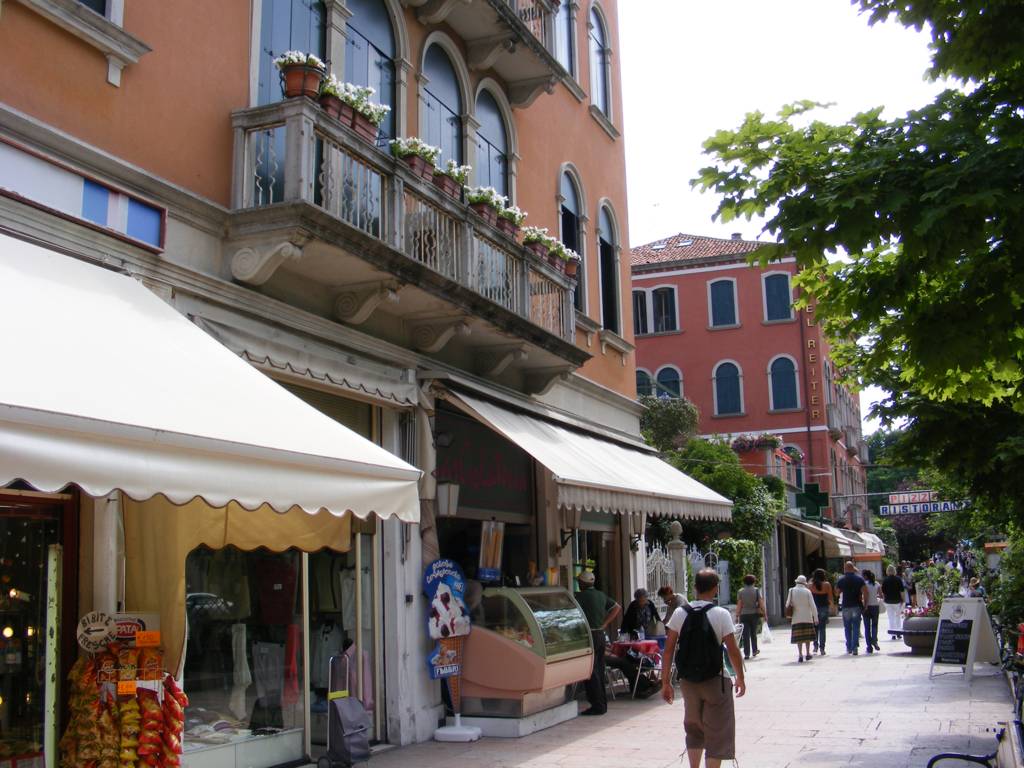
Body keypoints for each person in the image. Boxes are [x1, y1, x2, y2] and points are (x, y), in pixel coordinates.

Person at [661, 569, 746, 768]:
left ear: (695, 588)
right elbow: (733, 650)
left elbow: (668, 650)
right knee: (717, 731)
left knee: (694, 728)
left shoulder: (681, 613)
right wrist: (740, 677)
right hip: (716, 680)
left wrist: (665, 682)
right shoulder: (721, 614)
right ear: (715, 589)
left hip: (688, 681)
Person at [574, 569, 621, 716]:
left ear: (582, 583)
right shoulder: (601, 595)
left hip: (588, 636)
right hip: (600, 634)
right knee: (599, 669)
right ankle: (602, 704)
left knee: (590, 671)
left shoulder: (579, 596)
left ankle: (597, 705)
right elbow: (617, 608)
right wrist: (605, 623)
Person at [836, 561, 869, 655]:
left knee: (847, 627)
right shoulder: (859, 579)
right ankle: (855, 647)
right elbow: (865, 592)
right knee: (856, 626)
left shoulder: (841, 580)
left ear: (845, 569)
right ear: (853, 568)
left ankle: (849, 647)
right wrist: (865, 604)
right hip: (856, 606)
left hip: (846, 605)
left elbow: (837, 593)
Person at [786, 575, 818, 663]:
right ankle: (807, 653)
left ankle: (800, 654)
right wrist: (816, 618)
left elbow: (787, 604)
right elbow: (813, 605)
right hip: (807, 617)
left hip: (796, 618)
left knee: (799, 638)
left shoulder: (791, 590)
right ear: (804, 583)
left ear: (796, 582)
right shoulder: (807, 591)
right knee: (807, 637)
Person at [734, 574, 765, 660]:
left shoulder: (741, 591)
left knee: (745, 634)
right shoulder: (756, 590)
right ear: (753, 581)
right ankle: (754, 650)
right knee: (753, 633)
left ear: (744, 582)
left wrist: (737, 615)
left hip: (744, 614)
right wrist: (765, 613)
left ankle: (746, 653)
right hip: (754, 614)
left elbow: (739, 604)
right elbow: (761, 602)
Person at [809, 569, 834, 656]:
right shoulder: (827, 584)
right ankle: (822, 648)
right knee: (822, 628)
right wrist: (832, 607)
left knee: (814, 628)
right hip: (823, 607)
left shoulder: (810, 585)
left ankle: (815, 646)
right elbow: (830, 597)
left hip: (813, 609)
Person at [881, 565, 905, 639]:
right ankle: (898, 632)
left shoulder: (885, 580)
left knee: (891, 618)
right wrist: (903, 600)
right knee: (897, 617)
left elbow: (883, 592)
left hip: (888, 601)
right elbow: (902, 591)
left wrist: (884, 599)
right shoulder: (898, 579)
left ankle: (893, 634)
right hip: (897, 600)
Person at [862, 569, 882, 653]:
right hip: (875, 606)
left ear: (865, 576)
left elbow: (863, 596)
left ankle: (869, 646)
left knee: (867, 627)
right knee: (874, 625)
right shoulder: (877, 584)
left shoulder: (864, 585)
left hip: (866, 607)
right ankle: (875, 641)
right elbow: (881, 595)